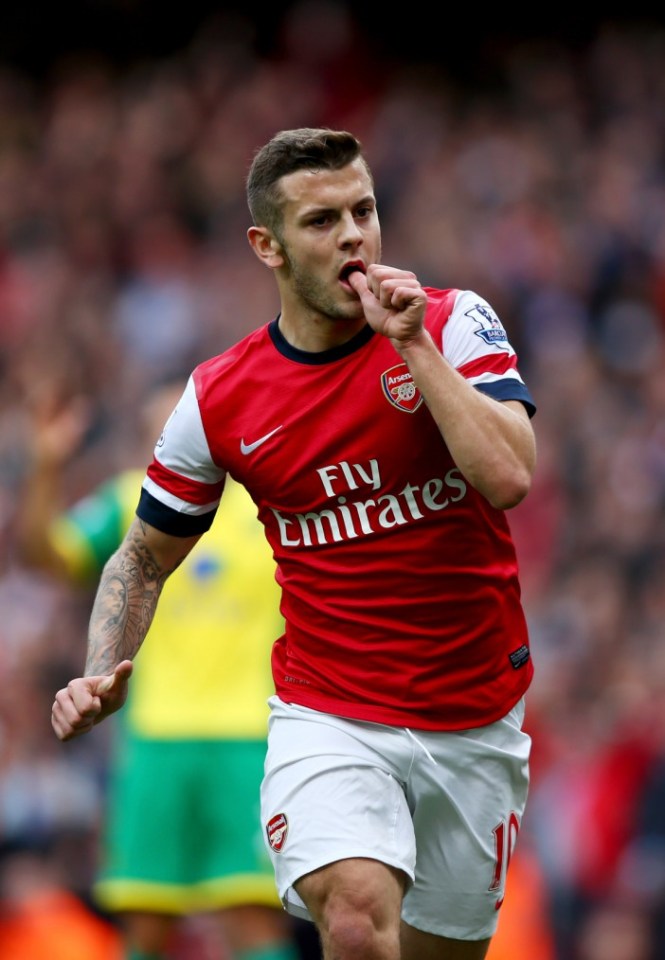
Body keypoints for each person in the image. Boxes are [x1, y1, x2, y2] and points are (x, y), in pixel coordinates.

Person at [51, 127, 538, 960]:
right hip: (329, 712)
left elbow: (508, 478)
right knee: (352, 920)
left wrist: (411, 345)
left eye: (364, 211)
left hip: (475, 715)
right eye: (322, 221)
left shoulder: (454, 324)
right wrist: (101, 667)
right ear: (266, 246)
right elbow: (140, 554)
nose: (353, 235)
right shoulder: (220, 399)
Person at [19, 378, 302, 960]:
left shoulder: (268, 504)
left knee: (253, 921)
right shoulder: (132, 502)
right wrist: (46, 465)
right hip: (154, 741)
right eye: (160, 429)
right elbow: (49, 557)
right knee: (145, 923)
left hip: (251, 740)